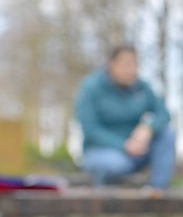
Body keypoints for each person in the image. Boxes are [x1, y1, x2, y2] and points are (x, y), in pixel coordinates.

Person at [75, 45, 176, 191]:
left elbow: (164, 113)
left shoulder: (142, 87)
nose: (131, 70)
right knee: (117, 165)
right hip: (101, 151)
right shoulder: (91, 88)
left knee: (167, 133)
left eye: (134, 64)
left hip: (137, 151)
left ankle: (158, 189)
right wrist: (124, 145)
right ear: (111, 64)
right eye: (126, 64)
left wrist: (149, 127)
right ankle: (104, 187)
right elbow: (91, 130)